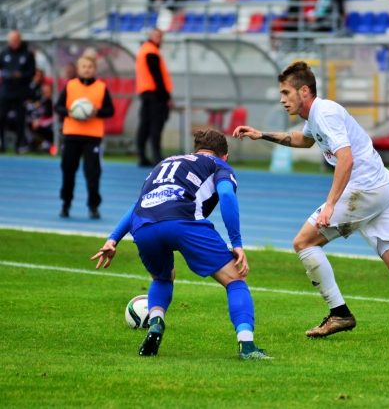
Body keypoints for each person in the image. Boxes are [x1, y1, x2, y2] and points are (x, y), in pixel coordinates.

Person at [233, 61, 389, 344]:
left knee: (304, 243)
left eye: (286, 92)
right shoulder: (317, 116)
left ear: (304, 91)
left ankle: (339, 312)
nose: (282, 99)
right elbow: (304, 140)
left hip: (364, 191)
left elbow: (346, 158)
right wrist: (262, 135)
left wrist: (331, 204)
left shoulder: (326, 114)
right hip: (385, 188)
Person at [90, 129, 273, 360]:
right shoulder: (218, 165)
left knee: (164, 277)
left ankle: (156, 321)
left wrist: (113, 239)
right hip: (182, 220)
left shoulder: (167, 162)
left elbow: (138, 203)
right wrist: (236, 243)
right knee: (235, 278)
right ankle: (247, 346)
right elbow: (226, 196)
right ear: (224, 155)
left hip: (143, 225)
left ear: (195, 150)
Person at [54, 55, 115, 219]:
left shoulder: (101, 87)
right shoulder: (70, 85)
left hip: (92, 136)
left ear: (95, 69)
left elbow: (110, 110)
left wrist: (97, 112)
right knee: (68, 170)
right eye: (84, 67)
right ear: (78, 69)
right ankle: (65, 203)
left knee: (93, 173)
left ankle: (93, 206)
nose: (87, 69)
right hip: (71, 135)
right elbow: (58, 107)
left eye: (90, 67)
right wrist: (70, 112)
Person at [135, 28, 173, 167]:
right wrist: (166, 96)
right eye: (156, 36)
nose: (159, 39)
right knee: (155, 125)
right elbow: (157, 76)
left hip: (146, 93)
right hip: (155, 94)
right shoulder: (151, 51)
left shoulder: (145, 50)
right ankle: (156, 155)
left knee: (145, 124)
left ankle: (142, 155)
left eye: (160, 36)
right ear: (151, 36)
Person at [0, 30, 36, 153]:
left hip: (21, 91)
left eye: (16, 39)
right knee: (1, 117)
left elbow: (32, 73)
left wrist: (20, 75)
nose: (14, 42)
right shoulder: (4, 53)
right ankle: (1, 144)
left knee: (20, 119)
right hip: (6, 90)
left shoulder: (27, 55)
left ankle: (18, 145)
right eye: (12, 39)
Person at [27, 83, 54, 151]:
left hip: (49, 125)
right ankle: (29, 143)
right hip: (37, 123)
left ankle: (48, 144)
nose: (46, 93)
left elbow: (53, 116)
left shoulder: (53, 102)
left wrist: (40, 122)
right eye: (44, 91)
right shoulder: (40, 101)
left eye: (48, 91)